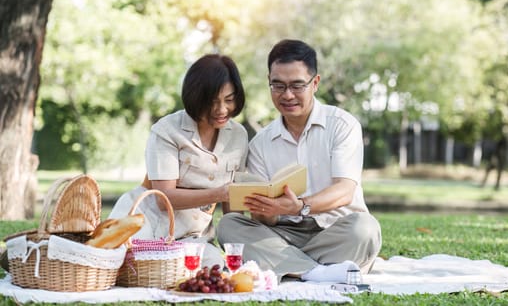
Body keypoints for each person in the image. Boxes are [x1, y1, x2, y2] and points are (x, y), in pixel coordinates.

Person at [217, 39, 382, 283]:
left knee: (365, 229)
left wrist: (298, 206)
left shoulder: (342, 125)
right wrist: (266, 210)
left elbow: (345, 192)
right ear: (269, 82)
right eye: (278, 86)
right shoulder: (260, 143)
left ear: (315, 83)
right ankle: (318, 271)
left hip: (336, 229)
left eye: (297, 85)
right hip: (284, 233)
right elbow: (264, 221)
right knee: (229, 225)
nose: (288, 95)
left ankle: (288, 265)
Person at [109, 54, 248, 268]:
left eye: (229, 100)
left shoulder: (238, 135)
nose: (222, 110)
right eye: (213, 102)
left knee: (214, 267)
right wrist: (218, 194)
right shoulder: (166, 131)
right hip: (143, 223)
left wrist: (237, 249)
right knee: (130, 267)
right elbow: (163, 198)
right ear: (196, 97)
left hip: (191, 237)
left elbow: (233, 209)